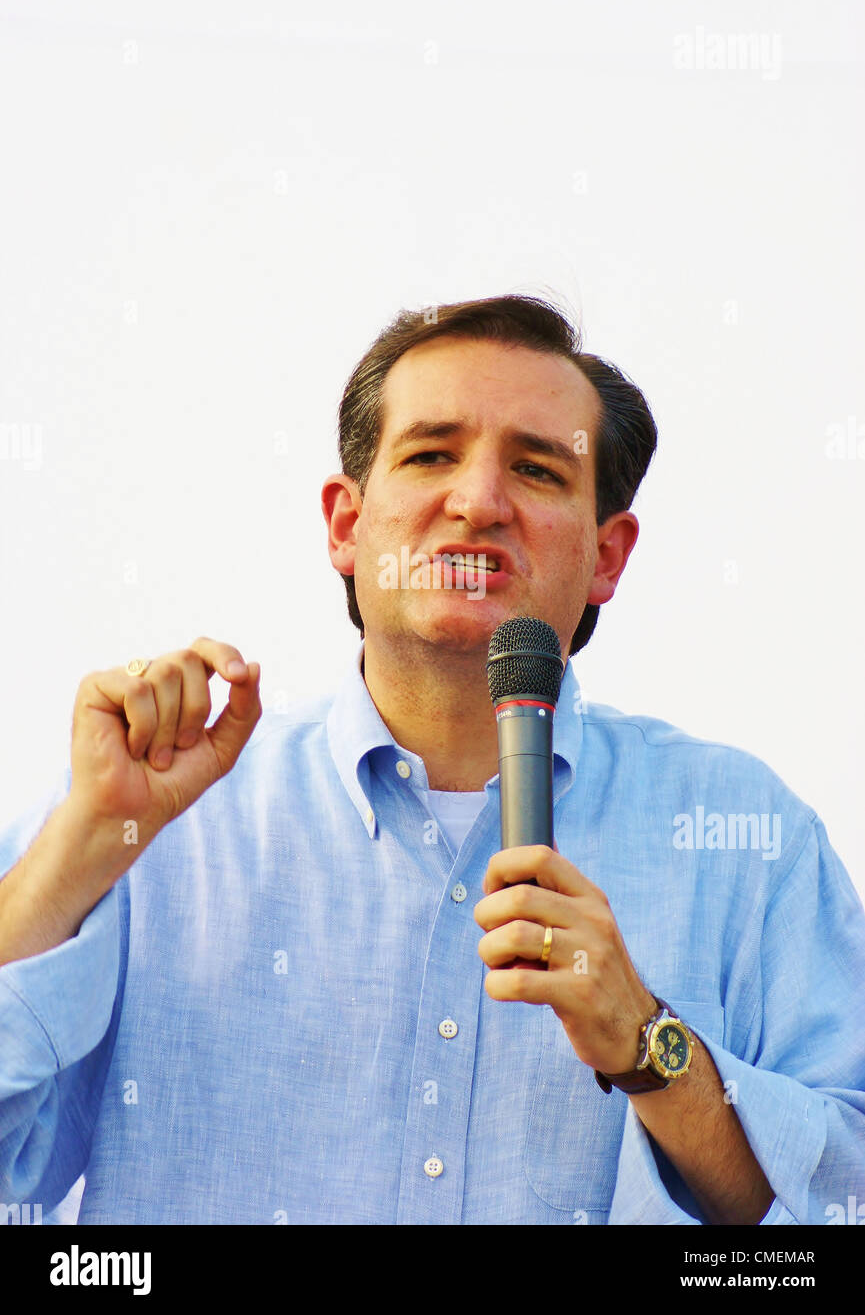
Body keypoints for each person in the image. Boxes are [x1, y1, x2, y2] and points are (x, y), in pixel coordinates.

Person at [1, 294, 863, 1226]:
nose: (477, 503)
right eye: (429, 455)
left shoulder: (748, 840)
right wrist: (83, 844)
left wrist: (647, 1043)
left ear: (608, 558)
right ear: (345, 525)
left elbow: (839, 1209)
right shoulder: (158, 820)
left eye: (536, 469)